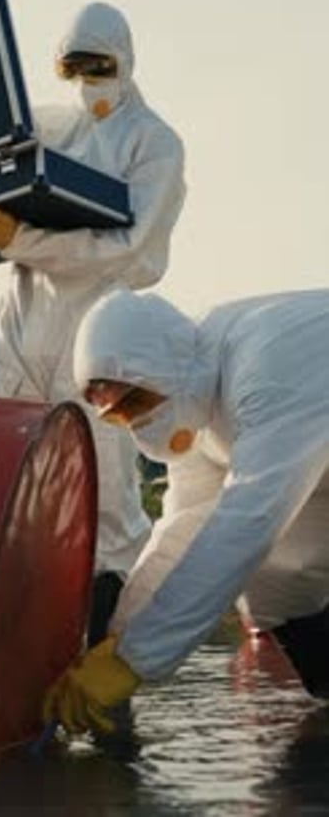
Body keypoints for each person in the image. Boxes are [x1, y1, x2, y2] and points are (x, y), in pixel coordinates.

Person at [0, 1, 186, 643]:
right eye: (71, 67)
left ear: (126, 62)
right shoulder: (47, 128)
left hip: (96, 333)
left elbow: (127, 248)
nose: (85, 80)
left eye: (98, 66)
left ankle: (106, 663)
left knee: (107, 510)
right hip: (15, 327)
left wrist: (19, 237)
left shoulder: (154, 143)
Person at [43, 286, 329, 735]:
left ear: (166, 368)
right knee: (274, 583)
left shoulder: (266, 371)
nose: (135, 423)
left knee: (252, 548)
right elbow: (183, 527)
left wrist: (135, 661)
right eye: (118, 416)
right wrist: (120, 636)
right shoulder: (197, 390)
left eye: (136, 402)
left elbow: (246, 524)